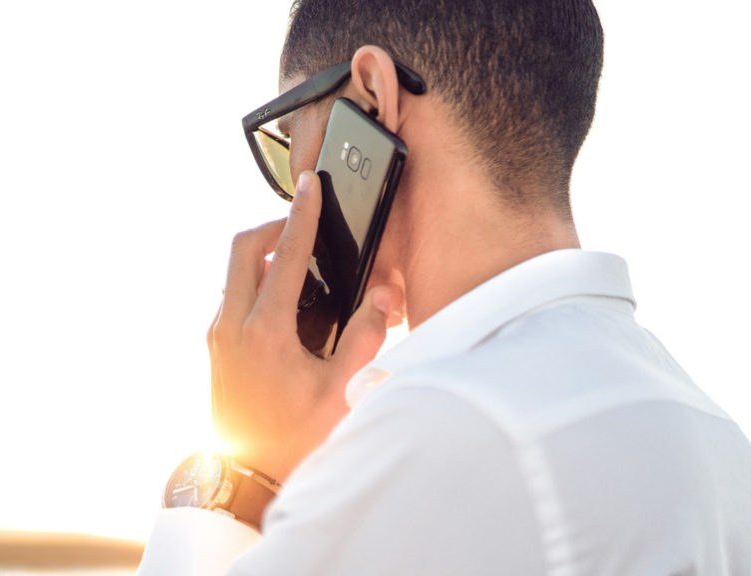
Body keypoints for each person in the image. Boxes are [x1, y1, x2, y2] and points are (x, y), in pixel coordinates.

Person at [139, 0, 751, 574]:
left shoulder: (437, 436)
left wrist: (244, 477)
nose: (290, 185)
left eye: (289, 146)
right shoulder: (717, 438)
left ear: (373, 100)